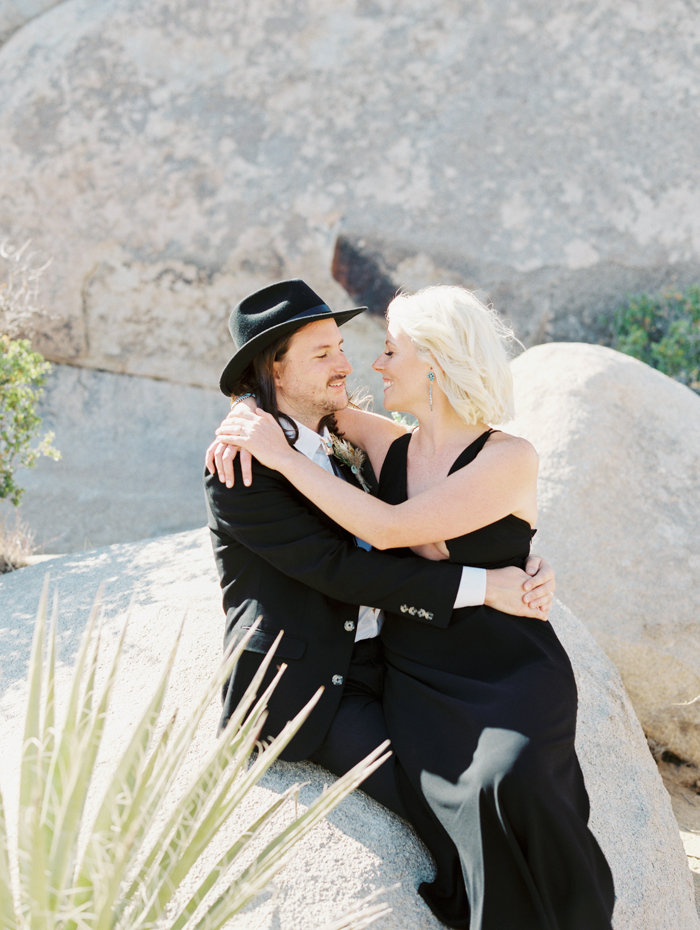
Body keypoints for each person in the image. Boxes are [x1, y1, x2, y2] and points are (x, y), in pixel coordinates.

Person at [214, 284, 615, 930]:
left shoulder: (494, 455)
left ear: (433, 360)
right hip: (392, 674)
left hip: (503, 665)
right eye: (333, 351)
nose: (366, 364)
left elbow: (395, 526)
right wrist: (246, 422)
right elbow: (300, 422)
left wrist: (528, 568)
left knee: (519, 786)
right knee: (462, 802)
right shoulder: (342, 448)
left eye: (385, 350)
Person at [204, 278, 555, 821]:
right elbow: (339, 569)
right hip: (314, 689)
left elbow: (437, 510)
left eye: (341, 348)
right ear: (275, 368)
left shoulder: (347, 442)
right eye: (323, 353)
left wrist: (520, 563)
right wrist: (485, 587)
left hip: (398, 665)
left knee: (507, 787)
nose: (348, 364)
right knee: (442, 811)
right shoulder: (243, 469)